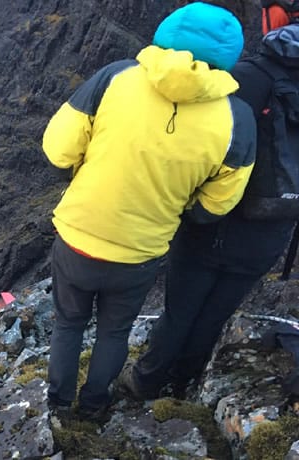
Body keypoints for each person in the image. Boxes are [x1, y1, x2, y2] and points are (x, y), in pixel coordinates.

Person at [42, 2, 256, 420]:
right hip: (141, 250)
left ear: (169, 32)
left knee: (68, 323)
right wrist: (179, 206)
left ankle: (58, 405)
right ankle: (94, 406)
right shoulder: (238, 118)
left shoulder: (116, 76)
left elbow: (57, 149)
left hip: (78, 235)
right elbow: (218, 204)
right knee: (114, 330)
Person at [120, 0, 299, 401]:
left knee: (181, 309)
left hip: (219, 219)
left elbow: (202, 141)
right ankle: (185, 383)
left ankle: (145, 383)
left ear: (278, 20)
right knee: (217, 311)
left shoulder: (247, 78)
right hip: (278, 224)